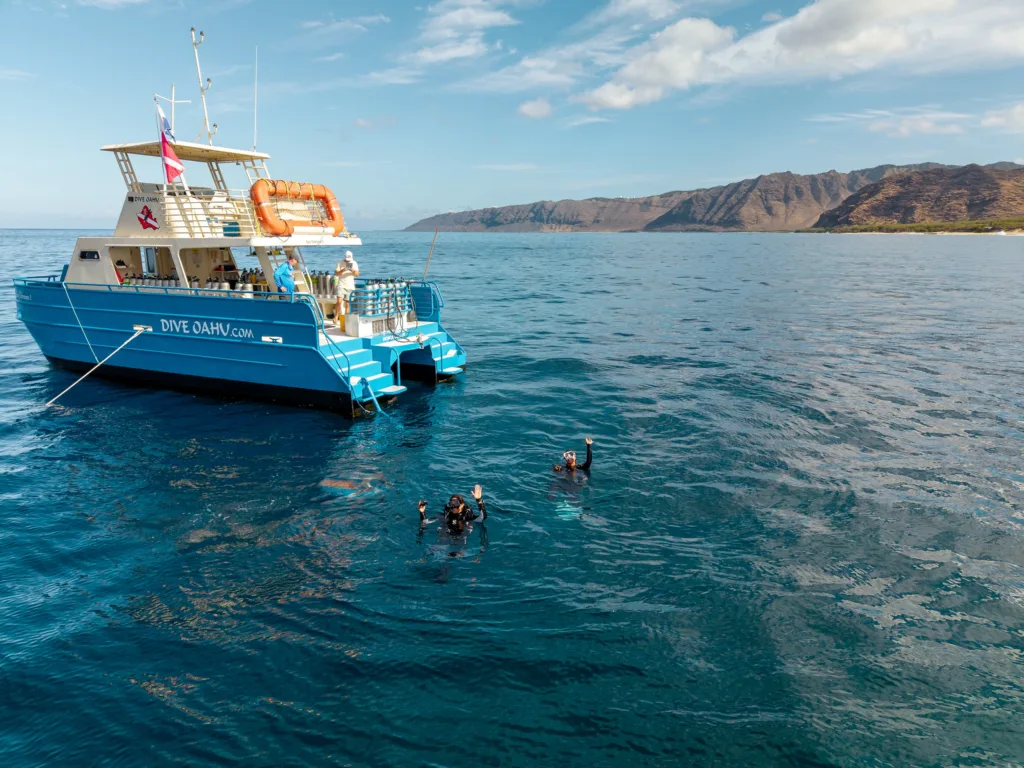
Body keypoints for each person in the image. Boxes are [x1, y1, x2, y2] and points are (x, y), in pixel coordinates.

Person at [419, 484, 486, 535]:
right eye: (451, 504)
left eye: (456, 504)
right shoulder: (447, 515)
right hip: (446, 534)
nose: (453, 507)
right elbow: (424, 522)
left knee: (459, 548)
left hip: (461, 536)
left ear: (462, 505)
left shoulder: (467, 515)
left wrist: (478, 500)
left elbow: (482, 517)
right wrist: (422, 512)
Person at [333, 250, 360, 320]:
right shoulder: (340, 263)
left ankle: (346, 319)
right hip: (341, 285)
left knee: (347, 304)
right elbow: (336, 274)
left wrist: (353, 271)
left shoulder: (354, 263)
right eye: (347, 260)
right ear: (344, 257)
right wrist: (343, 270)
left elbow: (357, 275)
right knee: (339, 301)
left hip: (350, 286)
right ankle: (336, 316)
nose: (348, 261)